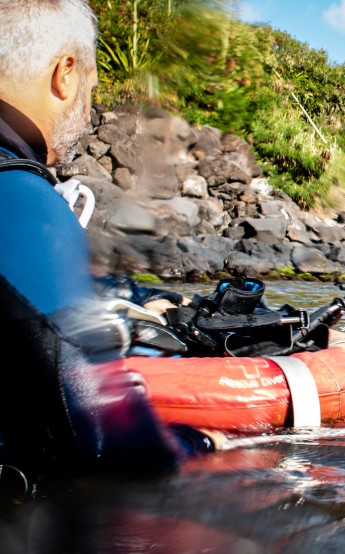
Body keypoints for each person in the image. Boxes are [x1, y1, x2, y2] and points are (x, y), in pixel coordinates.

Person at [0, 0, 211, 490]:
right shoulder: (19, 196)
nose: (90, 111)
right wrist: (195, 445)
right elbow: (101, 435)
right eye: (91, 92)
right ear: (65, 74)